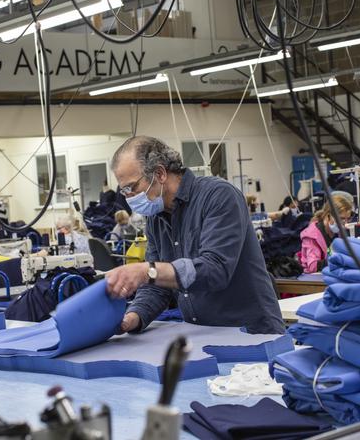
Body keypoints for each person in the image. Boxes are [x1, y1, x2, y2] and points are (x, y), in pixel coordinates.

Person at [105, 136, 284, 335]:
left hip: (251, 334)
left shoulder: (219, 196)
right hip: (203, 336)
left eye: (131, 188)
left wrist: (148, 271)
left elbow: (215, 269)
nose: (128, 197)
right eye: (124, 191)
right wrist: (132, 318)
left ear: (160, 173)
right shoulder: (155, 218)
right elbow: (157, 287)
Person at [298, 195, 353, 274]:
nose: (345, 223)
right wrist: (338, 259)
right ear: (328, 216)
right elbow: (313, 266)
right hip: (313, 280)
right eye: (341, 219)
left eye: (347, 219)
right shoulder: (312, 236)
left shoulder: (338, 232)